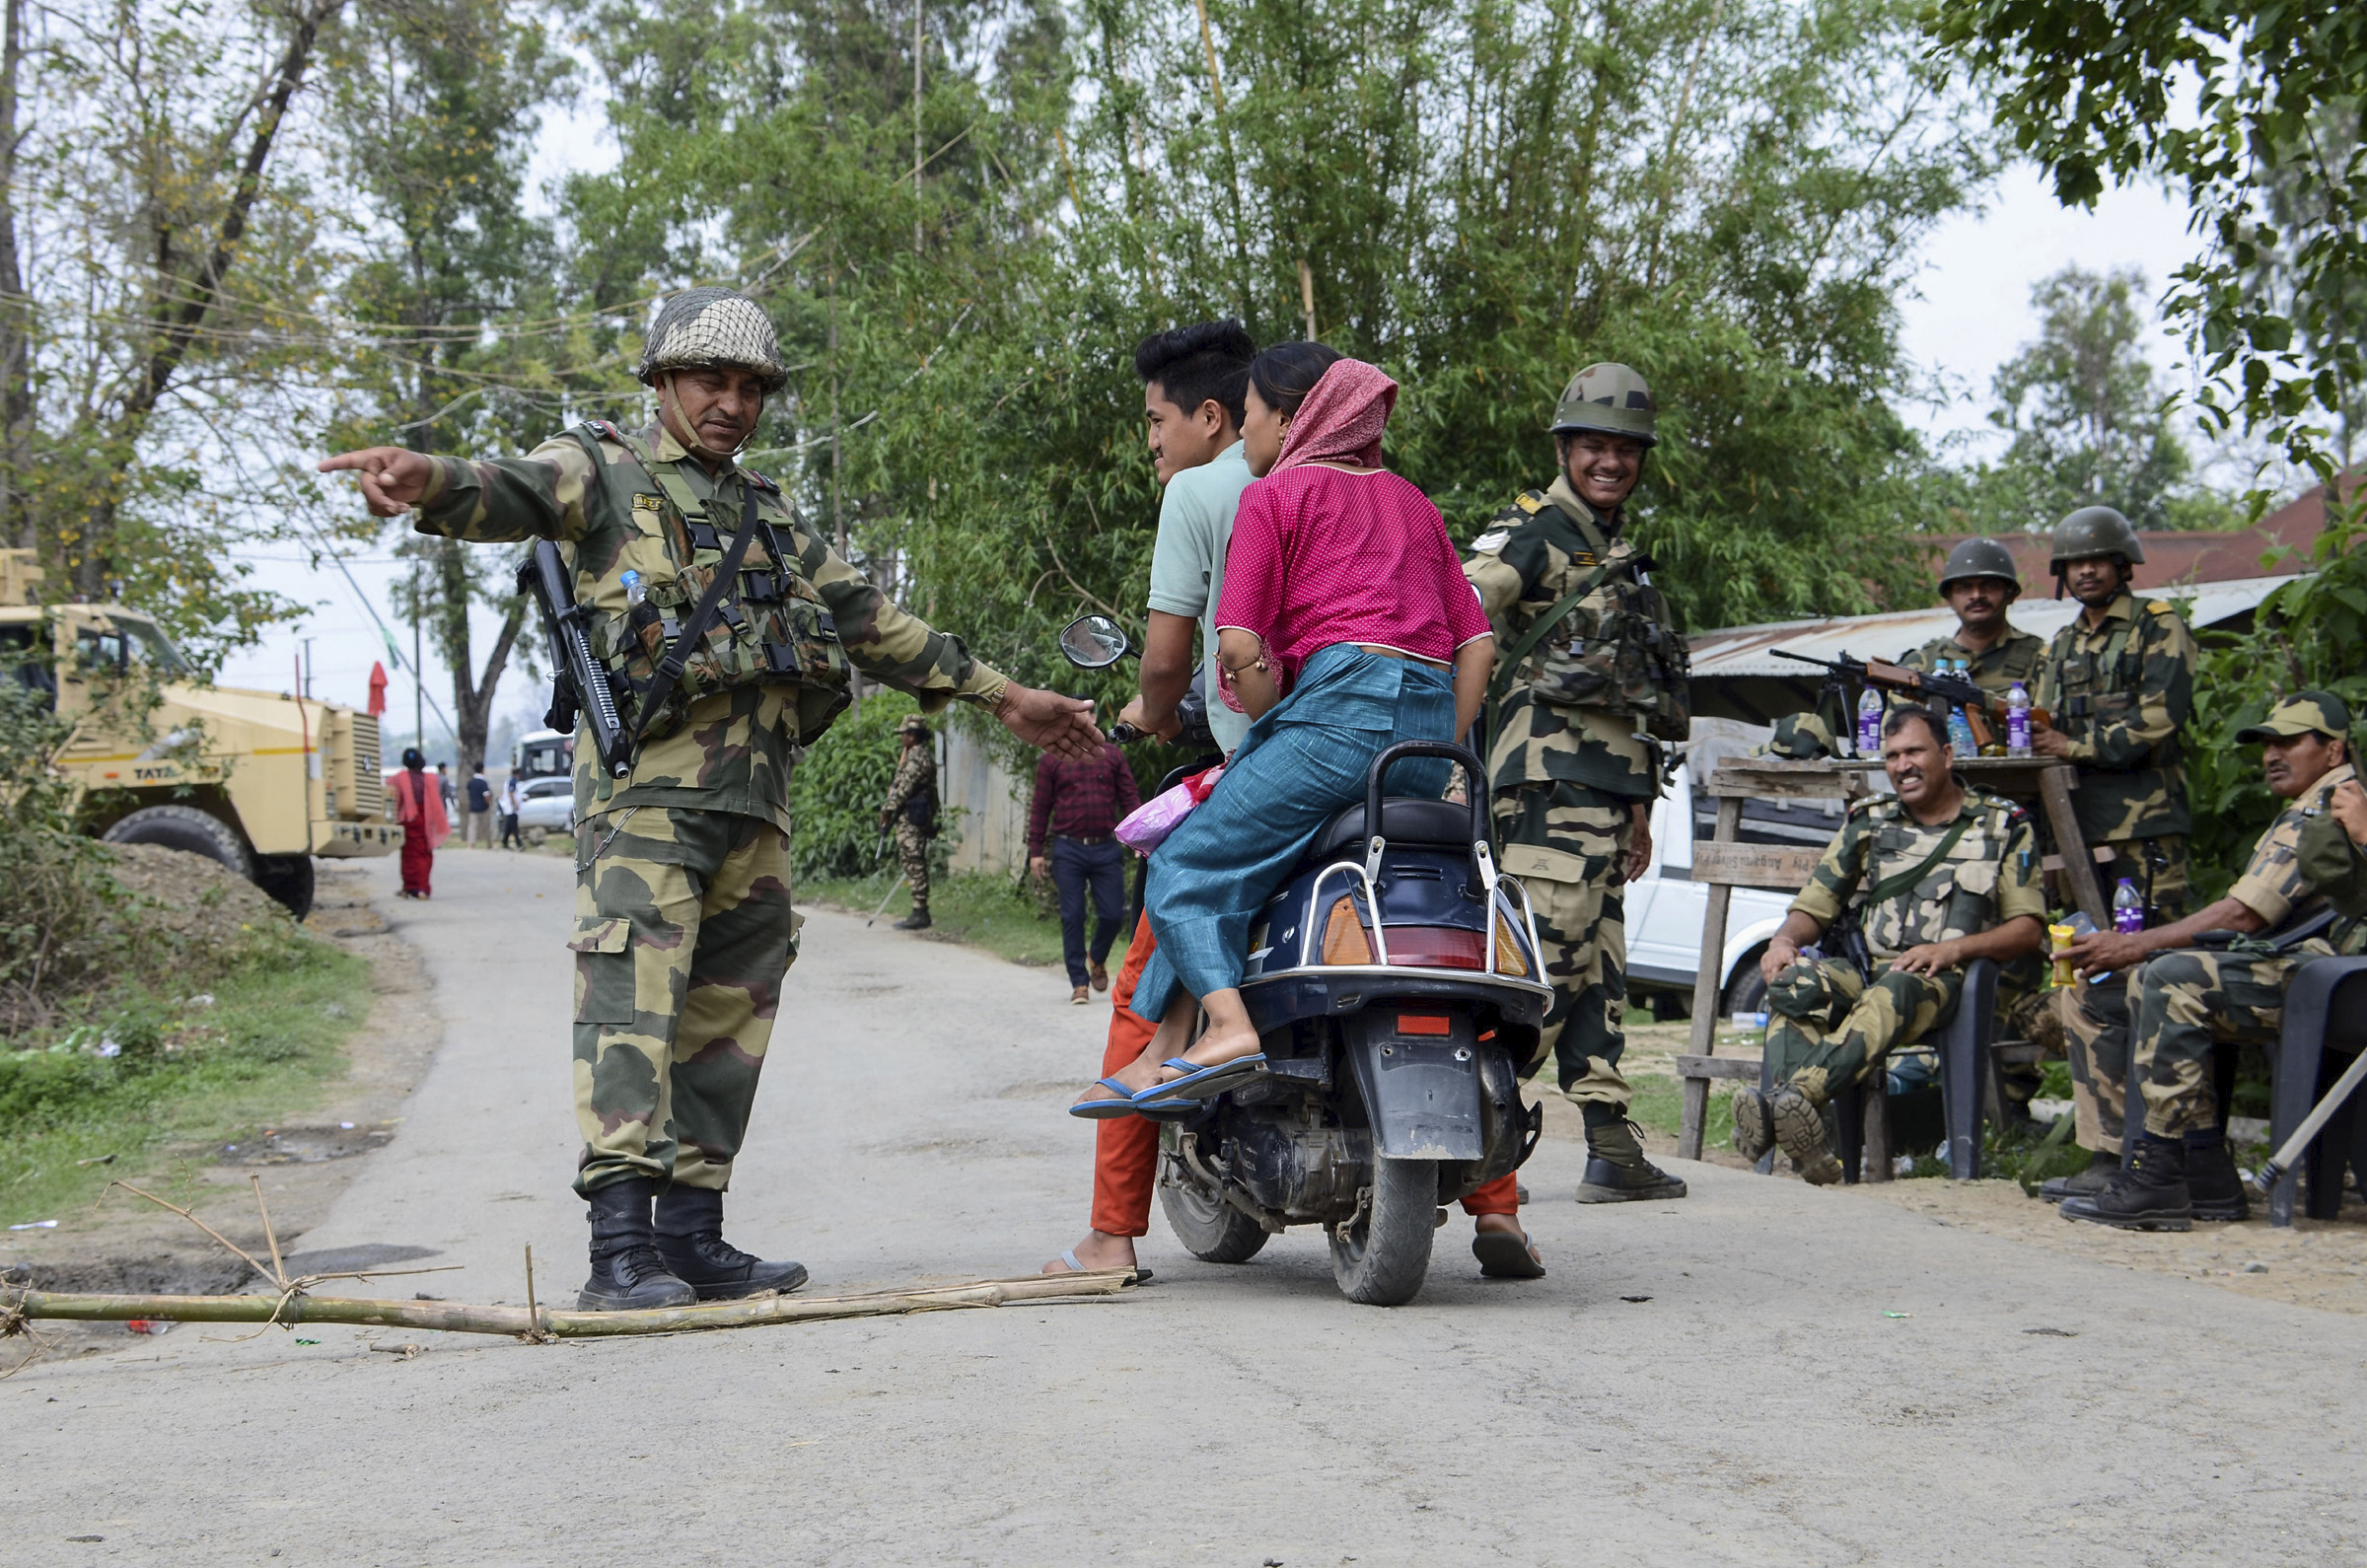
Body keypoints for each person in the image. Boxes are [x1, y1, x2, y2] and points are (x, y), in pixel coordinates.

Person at [320, 285, 1101, 1314]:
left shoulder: (766, 513)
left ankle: (692, 1237)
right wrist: (429, 479)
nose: (732, 404)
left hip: (754, 811)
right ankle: (618, 1252)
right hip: (648, 804)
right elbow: (512, 491)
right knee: (631, 1011)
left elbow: (870, 620)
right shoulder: (601, 470)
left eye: (750, 388)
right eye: (709, 382)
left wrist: (1004, 696)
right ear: (661, 383)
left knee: (730, 1022)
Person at [1073, 348, 1537, 1271]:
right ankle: (1175, 1047)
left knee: (1185, 864)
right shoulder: (1414, 505)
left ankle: (1227, 1029)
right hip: (1421, 754)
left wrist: (1266, 710)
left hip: (1331, 724)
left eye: (1250, 414)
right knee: (1257, 869)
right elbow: (1478, 646)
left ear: (1294, 421)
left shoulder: (1274, 496)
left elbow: (1237, 640)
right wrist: (1434, 745)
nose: (1244, 431)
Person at [1043, 319, 1256, 1283]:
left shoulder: (1200, 493)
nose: (1151, 443)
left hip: (1261, 769)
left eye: (1155, 422)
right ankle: (1499, 1213)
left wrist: (1156, 710)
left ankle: (1111, 1233)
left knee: (1144, 979)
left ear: (1212, 417)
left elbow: (1169, 661)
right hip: (1388, 761)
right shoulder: (1350, 487)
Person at [1462, 362, 1693, 1203]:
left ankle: (1610, 1145)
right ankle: (1466, 1130)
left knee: (1600, 971)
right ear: (1565, 448)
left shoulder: (1614, 549)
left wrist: (1638, 811)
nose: (1610, 462)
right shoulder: (1535, 530)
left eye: (1626, 449)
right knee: (1548, 968)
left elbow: (1627, 698)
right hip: (1547, 791)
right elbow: (1463, 605)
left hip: (1606, 795)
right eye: (1594, 445)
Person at [2058, 692, 2360, 1230]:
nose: (2272, 755)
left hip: (2334, 985)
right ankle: (2200, 1168)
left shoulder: (2330, 806)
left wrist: (2137, 944)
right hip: (2311, 973)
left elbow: (2244, 915)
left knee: (2171, 977)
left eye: (2289, 742)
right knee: (2144, 978)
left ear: (2333, 750)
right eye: (2267, 744)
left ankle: (2160, 1171)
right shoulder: (2316, 804)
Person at [1729, 706, 2048, 1184]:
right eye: (1893, 756)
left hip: (1944, 981)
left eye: (1914, 751)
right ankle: (1804, 1128)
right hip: (1865, 970)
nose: (1903, 765)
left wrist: (1952, 951)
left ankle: (1787, 1105)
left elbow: (2027, 929)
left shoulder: (2002, 825)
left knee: (1894, 987)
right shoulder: (1870, 821)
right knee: (1795, 981)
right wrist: (1783, 941)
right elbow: (1816, 904)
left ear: (1946, 754)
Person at [2029, 505, 2199, 1200]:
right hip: (2077, 840)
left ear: (2123, 564)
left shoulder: (2159, 626)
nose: (2087, 570)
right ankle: (2105, 1153)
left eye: (2098, 559)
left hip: (2144, 838)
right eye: (2075, 562)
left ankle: (2174, 1155)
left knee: (2156, 986)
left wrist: (2074, 745)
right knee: (2085, 985)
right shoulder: (2060, 646)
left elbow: (2159, 719)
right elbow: (2035, 728)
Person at [1027, 726, 1139, 1002]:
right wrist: (1035, 851)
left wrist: (1141, 836)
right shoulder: (1051, 759)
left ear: (1093, 720)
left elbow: (1129, 797)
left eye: (1086, 715)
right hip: (1068, 849)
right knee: (1072, 915)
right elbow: (1040, 806)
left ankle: (1097, 956)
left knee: (1113, 914)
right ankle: (1079, 982)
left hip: (1105, 846)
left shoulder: (1112, 756)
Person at [1899, 536, 2045, 698]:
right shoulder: (1921, 663)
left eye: (1989, 585)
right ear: (1949, 599)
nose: (1976, 595)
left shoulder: (2042, 658)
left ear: (2010, 595)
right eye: (1964, 588)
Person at [879, 712, 939, 932]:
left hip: (915, 817)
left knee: (914, 862)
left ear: (912, 736)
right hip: (910, 816)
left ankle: (920, 911)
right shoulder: (913, 755)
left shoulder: (918, 758)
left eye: (904, 734)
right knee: (910, 861)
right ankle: (918, 910)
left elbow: (903, 790)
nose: (901, 738)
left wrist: (886, 810)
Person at [388, 746, 448, 897]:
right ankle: (422, 887)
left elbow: (391, 793)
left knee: (408, 854)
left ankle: (408, 886)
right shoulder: (430, 779)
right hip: (426, 819)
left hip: (408, 819)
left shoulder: (400, 778)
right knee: (424, 853)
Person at [465, 764, 493, 847]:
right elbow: (486, 796)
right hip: (483, 808)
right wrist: (489, 805)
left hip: (473, 808)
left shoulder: (471, 782)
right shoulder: (483, 782)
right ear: (482, 770)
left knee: (472, 827)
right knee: (487, 827)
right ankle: (489, 844)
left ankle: (471, 844)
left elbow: (468, 794)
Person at [498, 774, 524, 850]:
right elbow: (511, 793)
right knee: (514, 827)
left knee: (509, 827)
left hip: (508, 808)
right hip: (511, 809)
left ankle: (504, 842)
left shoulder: (508, 781)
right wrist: (515, 804)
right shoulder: (512, 781)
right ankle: (519, 843)